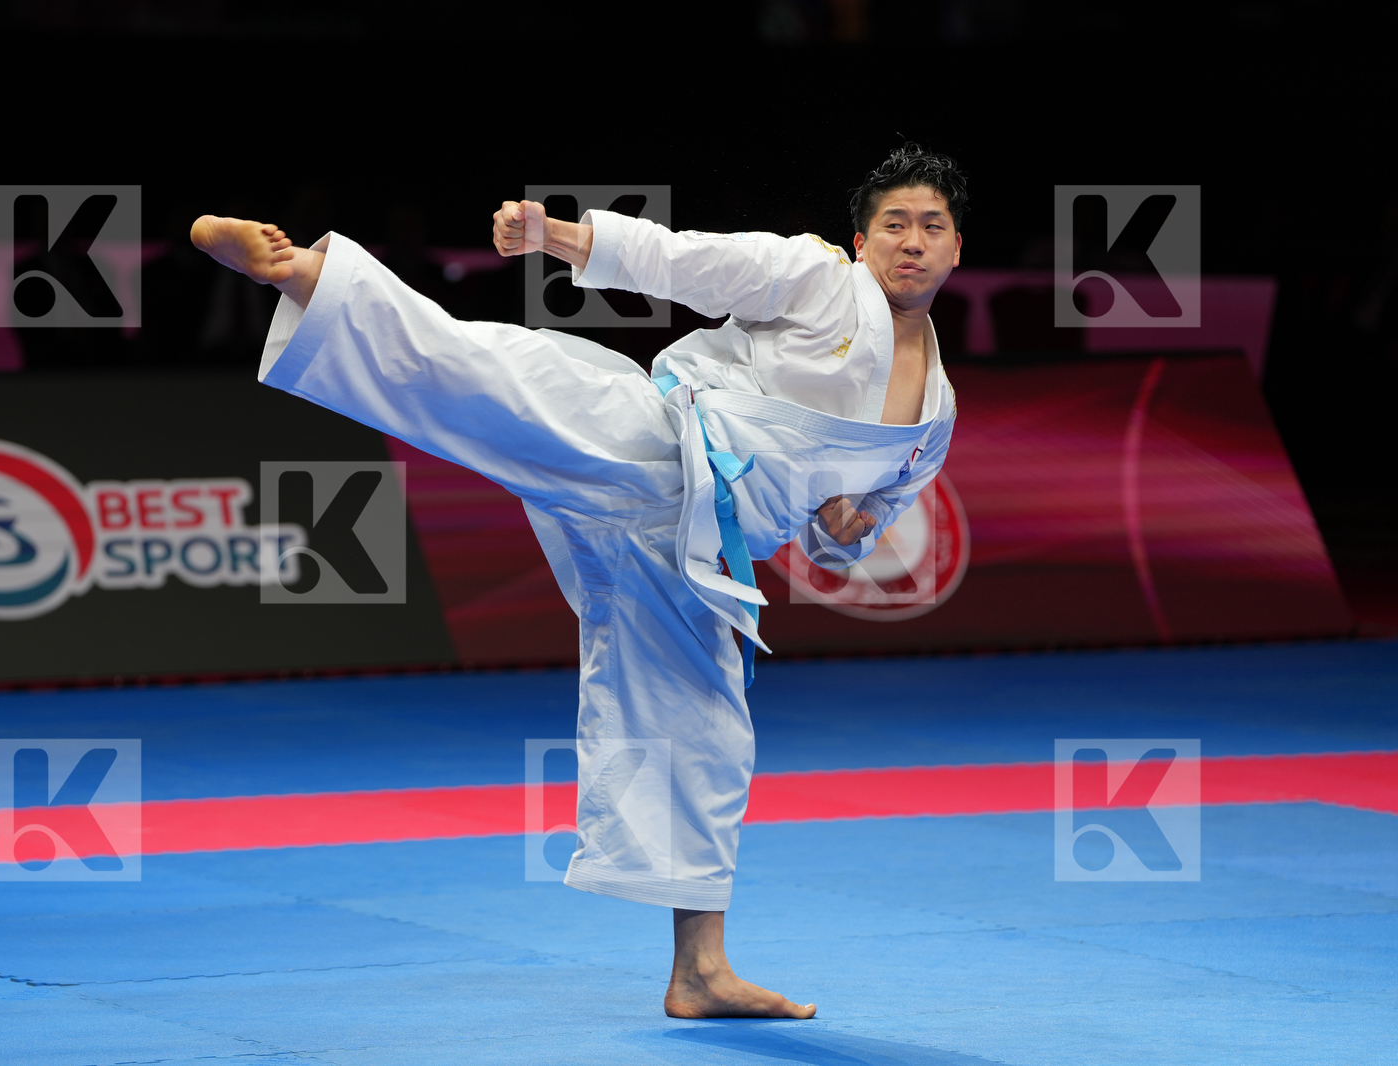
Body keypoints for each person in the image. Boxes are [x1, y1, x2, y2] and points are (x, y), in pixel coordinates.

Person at [190, 144, 965, 1019]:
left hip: (702, 560)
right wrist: (553, 233)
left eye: (930, 226)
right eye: (893, 224)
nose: (912, 241)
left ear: (955, 250)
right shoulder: (817, 278)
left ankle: (699, 972)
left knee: (707, 736)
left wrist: (842, 536)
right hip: (655, 448)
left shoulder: (931, 418)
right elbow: (684, 260)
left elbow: (845, 540)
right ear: (859, 241)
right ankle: (298, 269)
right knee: (490, 377)